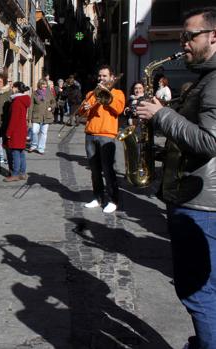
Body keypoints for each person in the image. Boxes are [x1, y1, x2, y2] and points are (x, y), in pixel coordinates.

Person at [135, 7, 216, 348]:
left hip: (200, 203)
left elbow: (210, 141)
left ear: (213, 36)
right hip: (197, 196)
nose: (182, 42)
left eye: (189, 35)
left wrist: (162, 114)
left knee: (198, 292)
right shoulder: (205, 79)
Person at [79, 65, 125, 214]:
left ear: (111, 77)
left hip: (107, 135)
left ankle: (113, 200)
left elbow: (118, 109)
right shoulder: (91, 93)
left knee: (108, 169)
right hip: (90, 134)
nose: (101, 78)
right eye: (100, 76)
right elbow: (81, 113)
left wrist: (106, 96)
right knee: (95, 170)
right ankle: (98, 197)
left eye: (104, 76)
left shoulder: (118, 93)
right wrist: (85, 107)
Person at [3, 82, 31, 182]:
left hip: (16, 131)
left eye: (13, 87)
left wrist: (9, 133)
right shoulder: (23, 99)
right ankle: (22, 173)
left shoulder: (17, 101)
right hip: (22, 129)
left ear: (17, 89)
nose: (12, 88)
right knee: (21, 152)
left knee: (15, 153)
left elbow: (13, 119)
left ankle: (15, 174)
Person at [28, 79, 56, 155]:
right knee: (34, 131)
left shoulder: (49, 93)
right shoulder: (34, 93)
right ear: (39, 85)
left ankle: (41, 148)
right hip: (36, 115)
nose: (44, 86)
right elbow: (31, 106)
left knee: (44, 133)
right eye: (42, 84)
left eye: (45, 84)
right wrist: (29, 118)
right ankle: (34, 145)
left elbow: (54, 102)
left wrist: (51, 107)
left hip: (47, 116)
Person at [0, 73, 12, 173]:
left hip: (6, 124)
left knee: (7, 147)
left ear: (4, 82)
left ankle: (11, 169)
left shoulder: (9, 94)